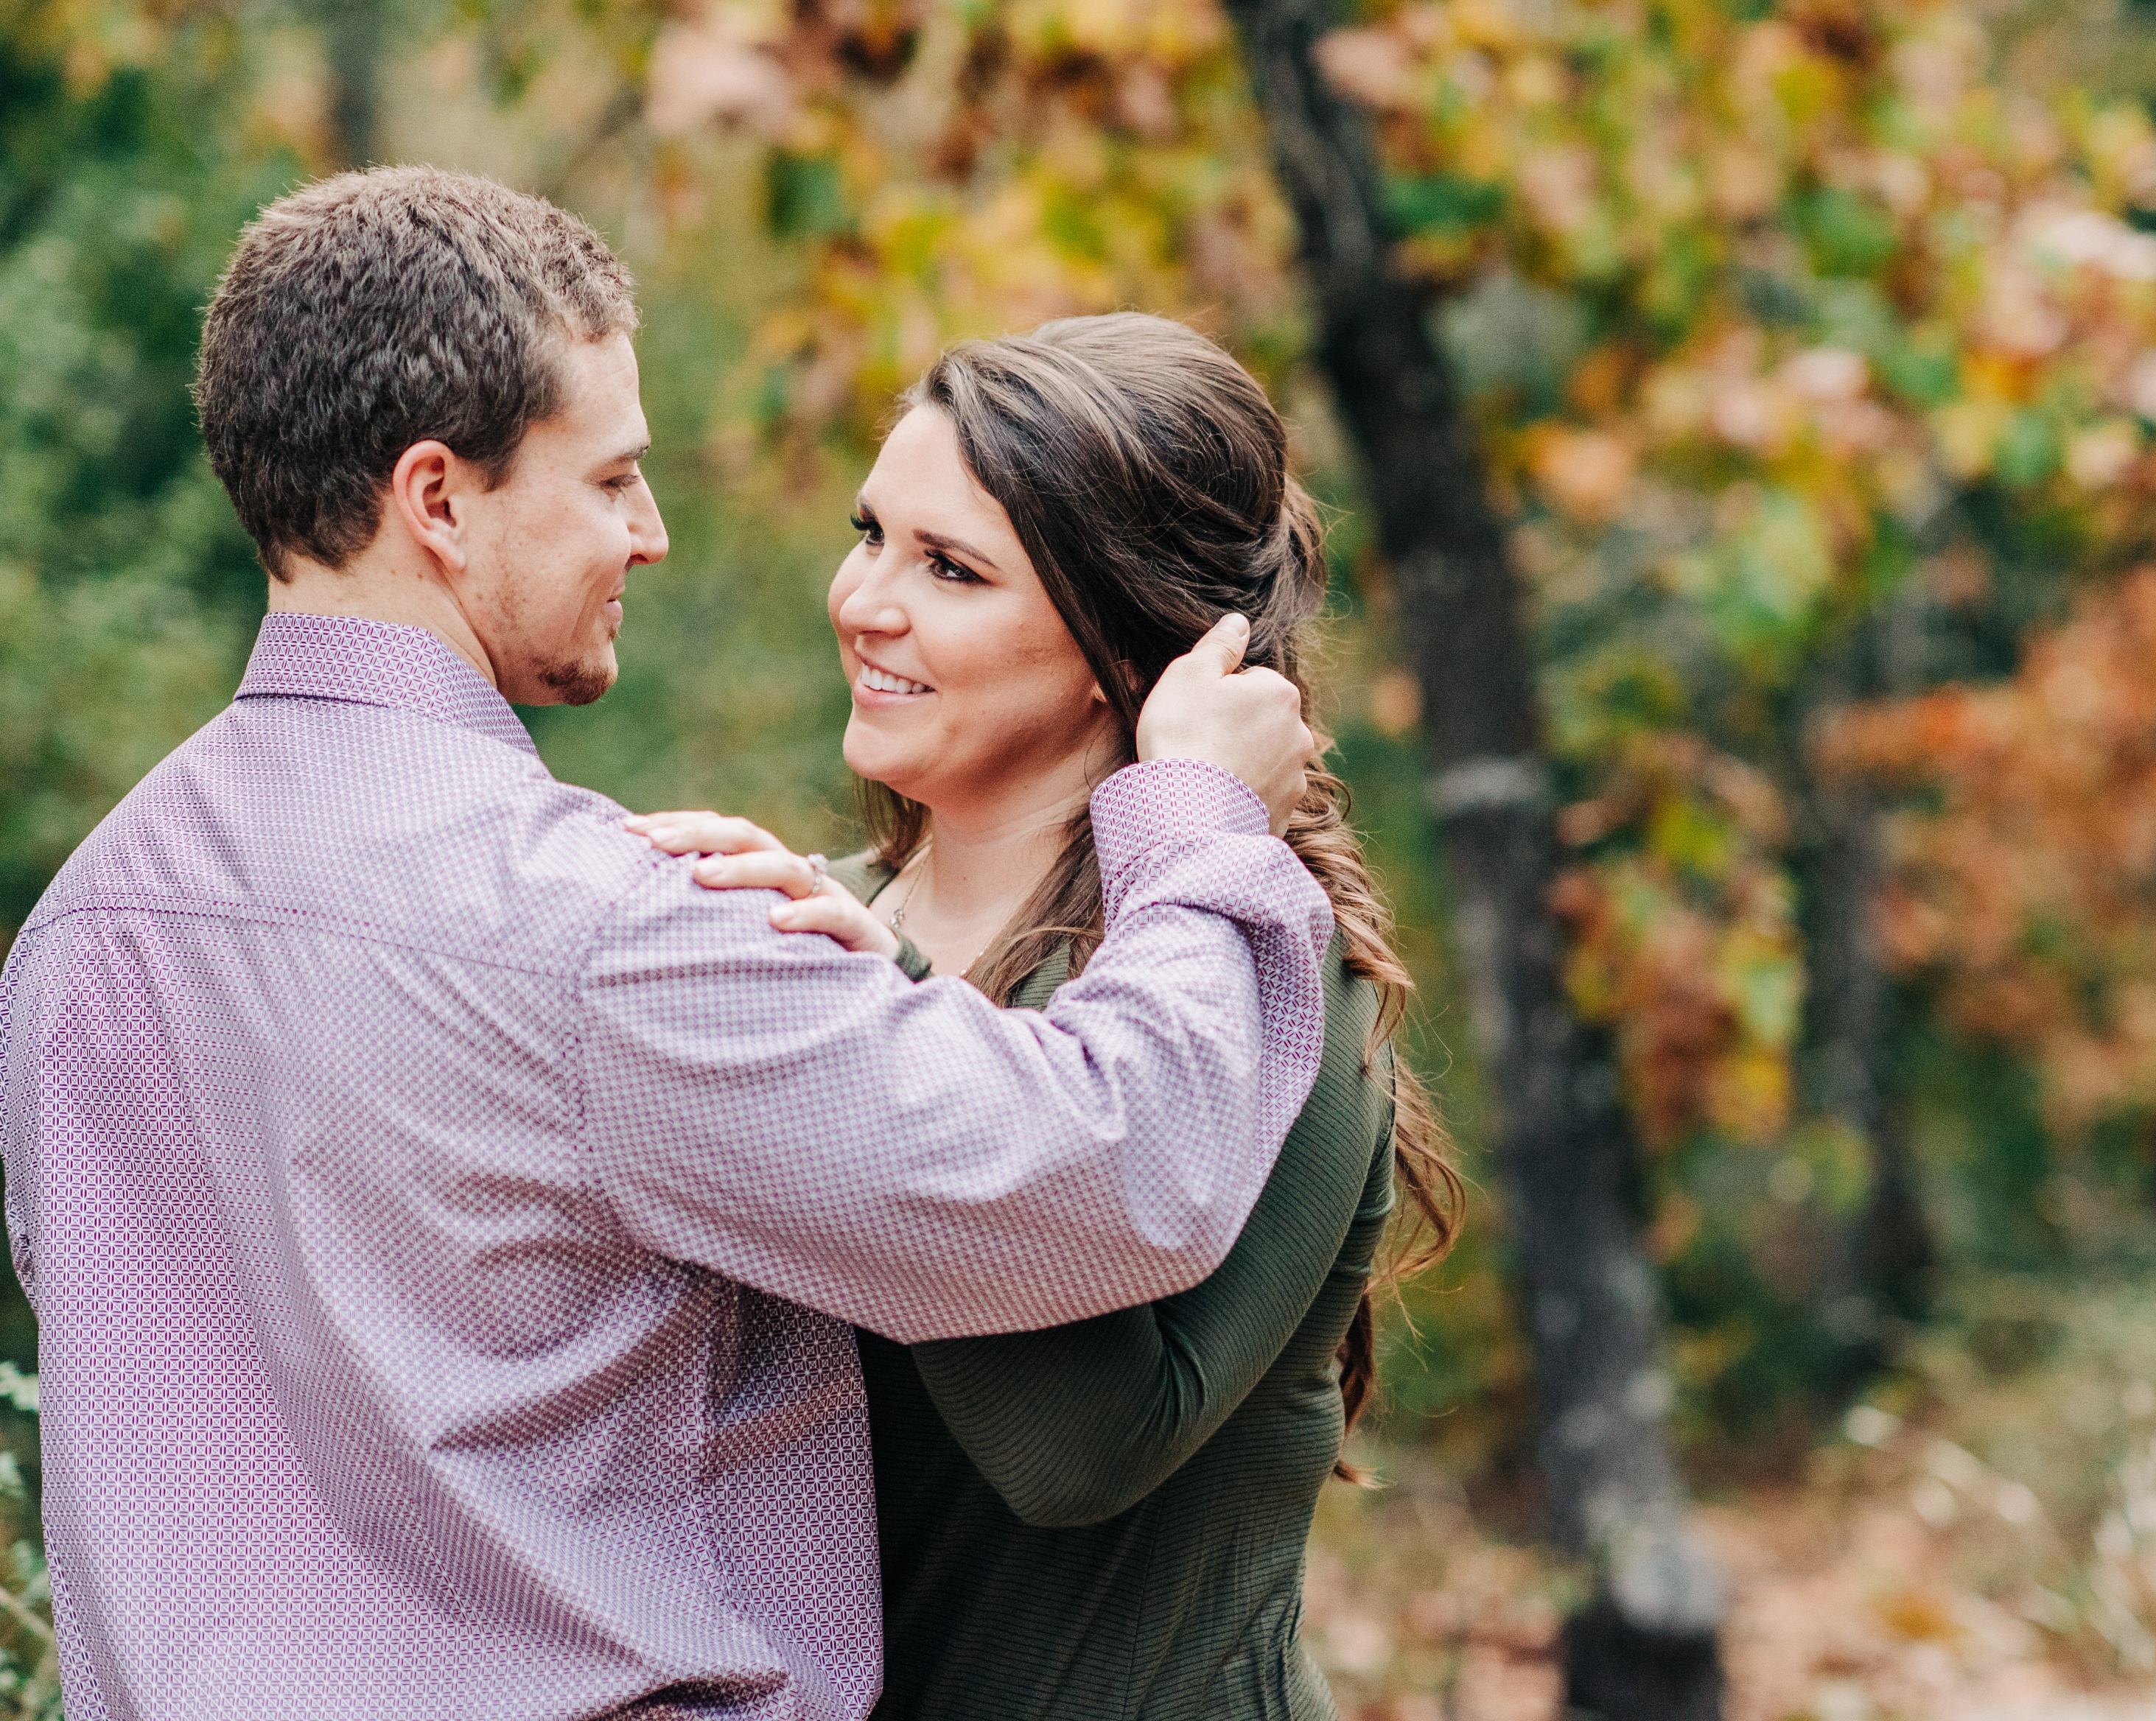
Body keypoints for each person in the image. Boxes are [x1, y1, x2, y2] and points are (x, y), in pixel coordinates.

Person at [0, 169, 1334, 1720]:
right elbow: (1114, 1170)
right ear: (437, 500)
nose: (652, 534)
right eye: (612, 478)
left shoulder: (77, 933)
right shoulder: (601, 936)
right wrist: (1192, 820)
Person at [632, 312, 1460, 1718]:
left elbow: (1084, 1445)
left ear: (1112, 636)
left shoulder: (1263, 972)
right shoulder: (815, 923)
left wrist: (868, 1016)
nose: (865, 601)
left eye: (949, 568)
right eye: (871, 533)